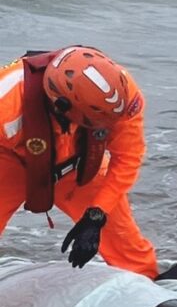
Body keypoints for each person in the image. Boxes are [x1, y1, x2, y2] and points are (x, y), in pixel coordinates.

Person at [0, 47, 158, 278]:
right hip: (9, 160)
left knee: (125, 244)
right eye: (97, 122)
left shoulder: (121, 98)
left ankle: (150, 292)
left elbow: (128, 158)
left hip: (78, 164)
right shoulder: (6, 101)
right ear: (61, 107)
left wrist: (96, 216)